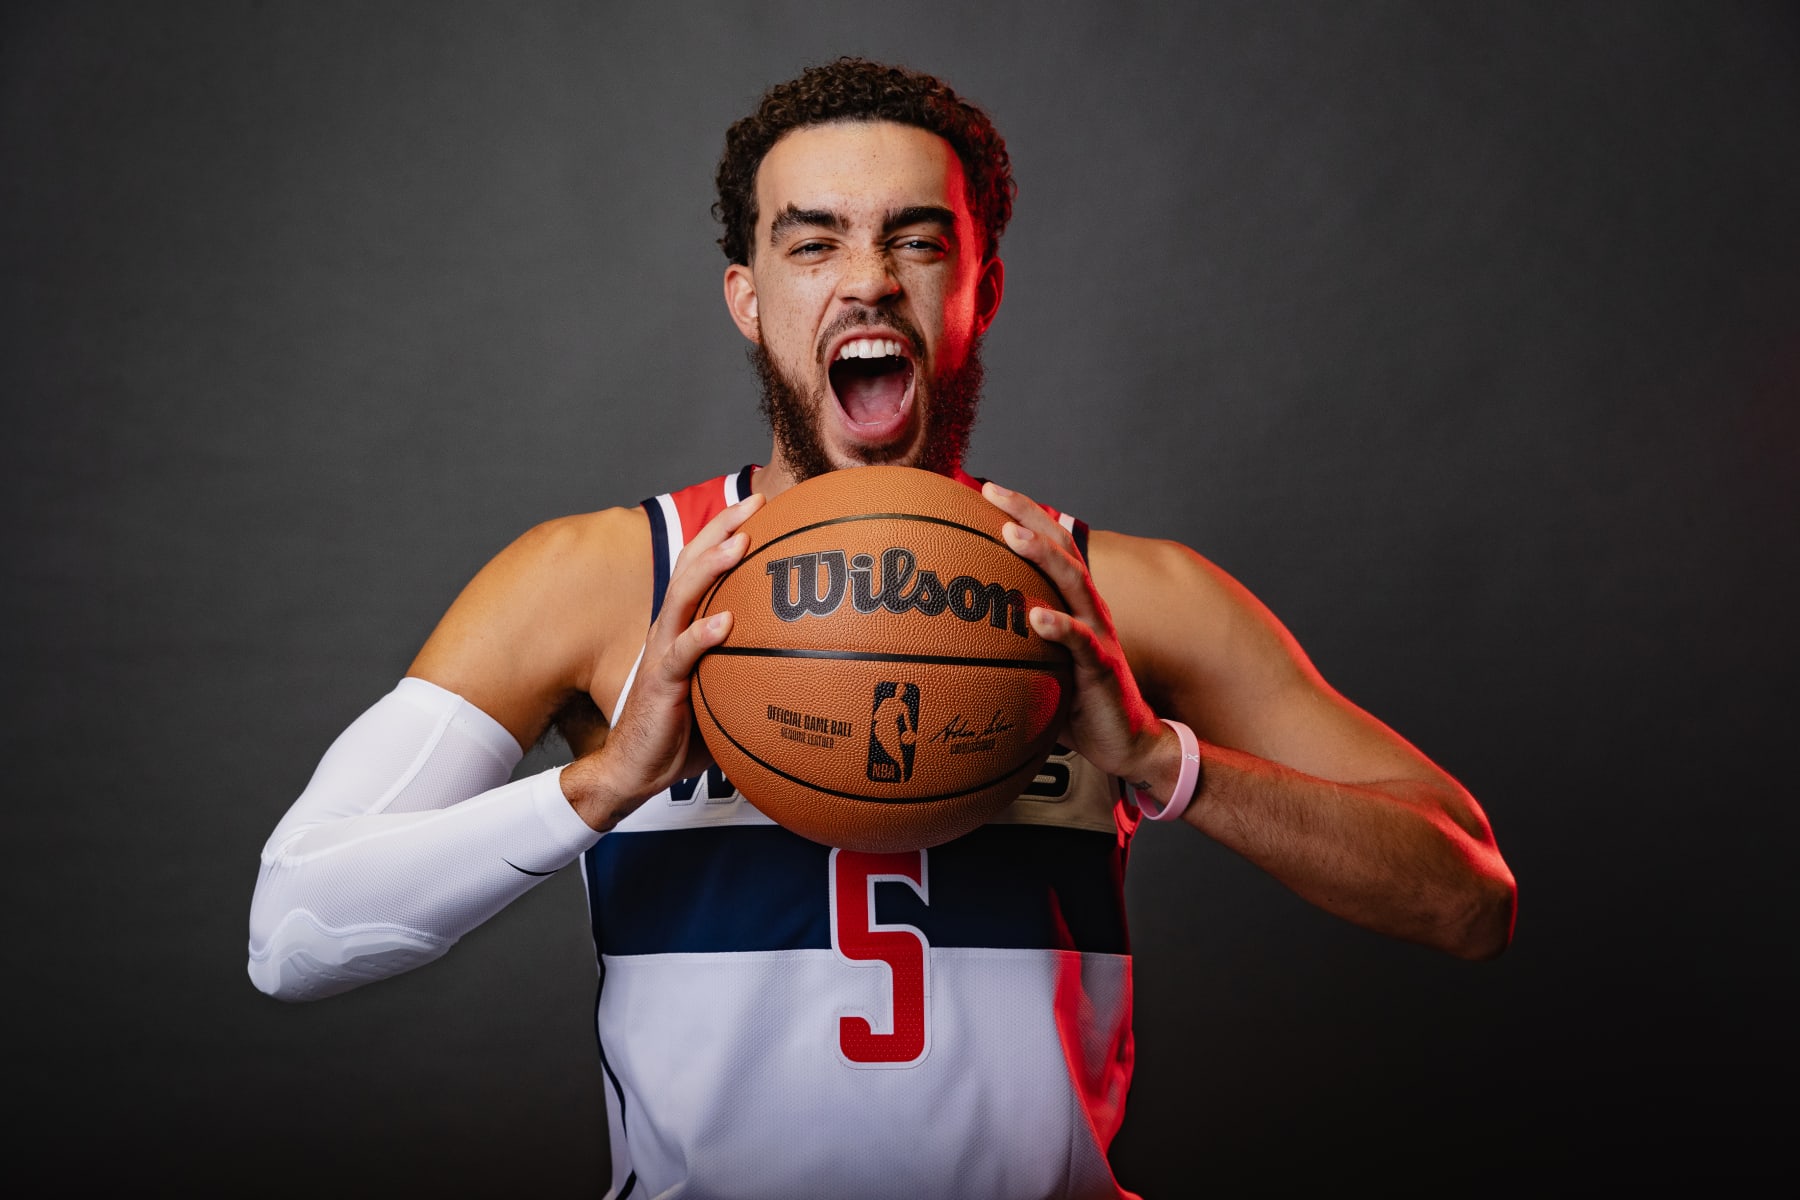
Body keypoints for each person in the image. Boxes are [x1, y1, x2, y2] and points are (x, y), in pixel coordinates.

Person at [248, 57, 1516, 1199]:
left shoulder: (1121, 596)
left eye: (917, 242)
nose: (868, 280)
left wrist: (1160, 763)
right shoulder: (601, 580)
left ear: (982, 288)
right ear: (747, 298)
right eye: (815, 246)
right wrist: (599, 784)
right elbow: (292, 933)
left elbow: (1470, 899)